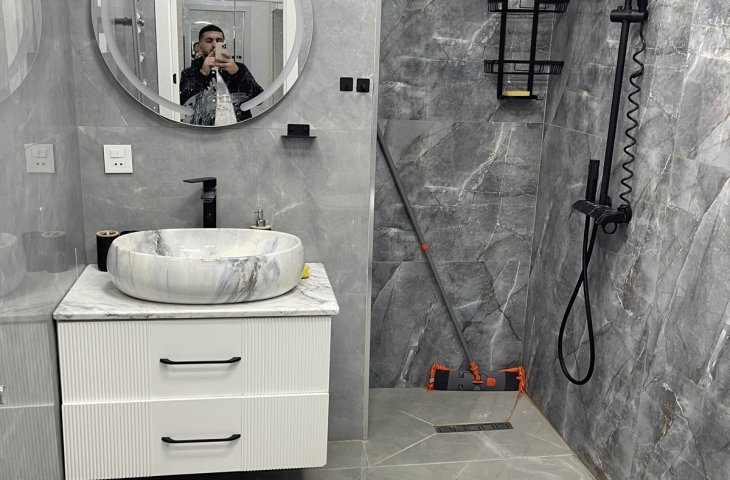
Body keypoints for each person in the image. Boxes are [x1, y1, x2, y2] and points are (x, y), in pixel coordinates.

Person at [180, 24, 263, 123]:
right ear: (199, 47)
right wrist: (202, 74)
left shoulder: (239, 69)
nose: (214, 45)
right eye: (209, 41)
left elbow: (259, 100)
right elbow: (182, 102)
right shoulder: (190, 72)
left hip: (238, 127)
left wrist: (238, 74)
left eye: (219, 41)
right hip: (203, 129)